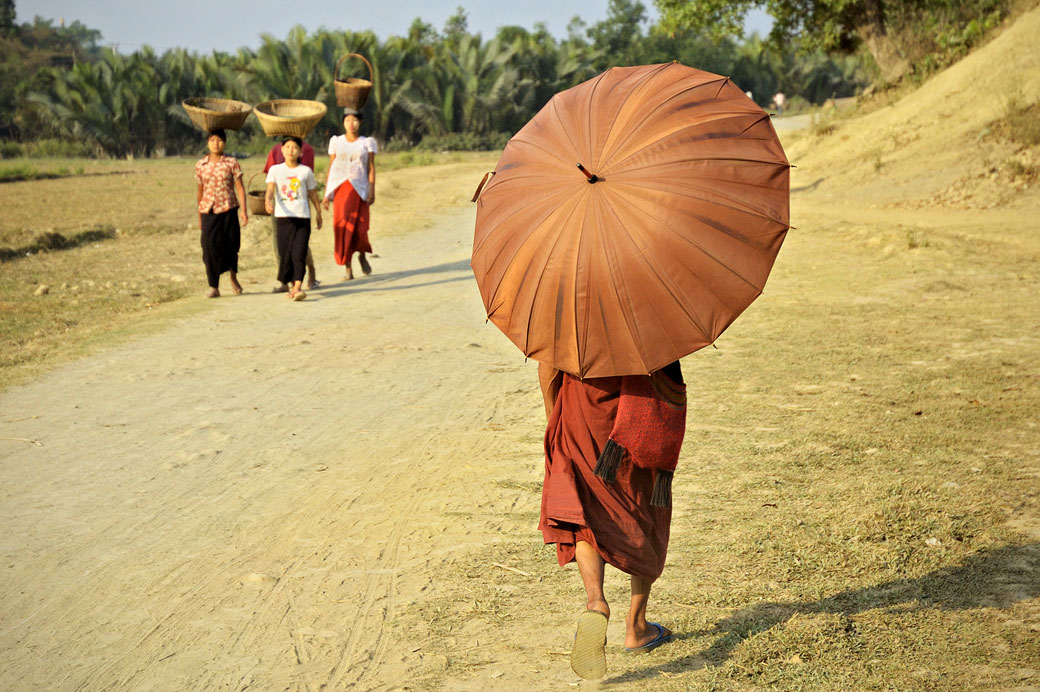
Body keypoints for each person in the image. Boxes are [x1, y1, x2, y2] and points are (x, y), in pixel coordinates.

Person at [538, 360, 686, 680]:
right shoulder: (651, 311)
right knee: (645, 511)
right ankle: (637, 626)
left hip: (580, 409)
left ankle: (596, 601)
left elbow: (548, 368)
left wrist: (556, 417)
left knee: (586, 513)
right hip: (638, 412)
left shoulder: (571, 316)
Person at [264, 136, 322, 301]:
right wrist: (268, 199)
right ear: (281, 150)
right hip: (283, 217)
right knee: (285, 253)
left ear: (300, 151)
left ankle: (297, 287)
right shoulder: (275, 170)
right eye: (287, 147)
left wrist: (318, 212)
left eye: (295, 147)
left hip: (302, 217)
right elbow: (270, 188)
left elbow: (312, 193)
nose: (291, 150)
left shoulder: (305, 171)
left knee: (299, 252)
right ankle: (291, 284)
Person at [322, 107, 376, 280]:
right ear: (343, 122)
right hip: (341, 190)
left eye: (354, 120)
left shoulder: (366, 142)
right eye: (347, 120)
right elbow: (333, 167)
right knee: (344, 228)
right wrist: (326, 193)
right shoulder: (336, 141)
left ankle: (361, 255)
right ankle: (348, 267)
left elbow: (371, 167)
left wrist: (371, 189)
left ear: (360, 122)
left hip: (360, 190)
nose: (351, 124)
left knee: (360, 229)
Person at [194, 129, 248, 298]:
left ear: (224, 142)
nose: (216, 144)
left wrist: (244, 211)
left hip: (228, 208)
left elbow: (239, 187)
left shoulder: (231, 162)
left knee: (231, 245)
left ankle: (233, 276)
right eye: (212, 140)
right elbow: (200, 190)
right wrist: (200, 215)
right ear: (207, 143)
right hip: (208, 210)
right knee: (208, 246)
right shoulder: (200, 164)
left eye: (219, 140)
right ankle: (213, 286)